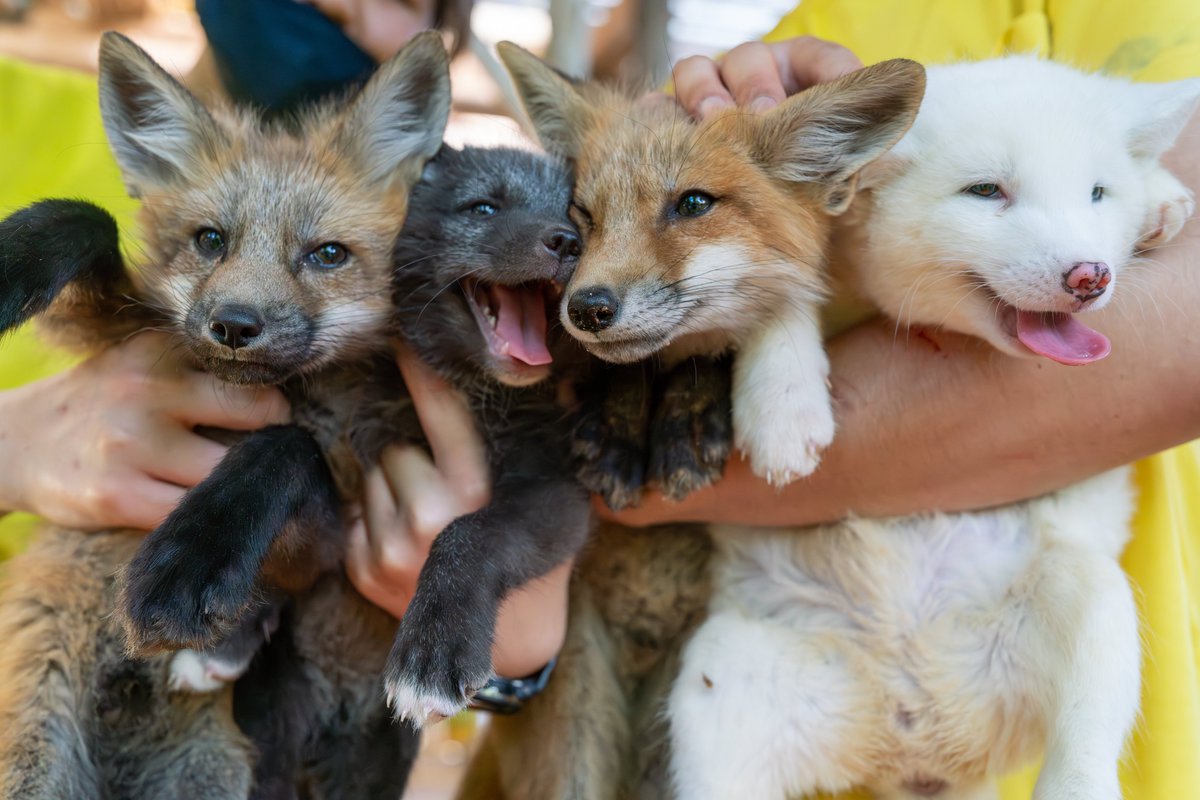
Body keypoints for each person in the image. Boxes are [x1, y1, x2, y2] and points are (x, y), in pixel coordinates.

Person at [597, 2, 1200, 799]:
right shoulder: (818, 51)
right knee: (722, 676)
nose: (1084, 267)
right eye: (989, 192)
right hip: (810, 652)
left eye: (1099, 196)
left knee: (1088, 596)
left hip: (1000, 645)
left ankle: (1083, 777)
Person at [0, 0, 567, 681]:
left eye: (387, 1)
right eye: (210, 242)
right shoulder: (50, 129)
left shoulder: (423, 286)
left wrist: (510, 650)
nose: (345, 10)